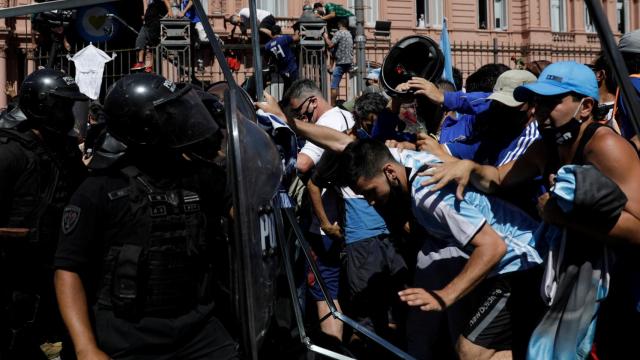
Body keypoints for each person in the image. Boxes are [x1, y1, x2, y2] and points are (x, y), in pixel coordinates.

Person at [257, 93, 546, 359]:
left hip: (522, 260)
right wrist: (288, 121)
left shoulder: (429, 192)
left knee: (471, 350)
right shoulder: (394, 160)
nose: (371, 202)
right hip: (484, 256)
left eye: (372, 192)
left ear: (390, 174)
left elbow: (494, 246)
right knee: (448, 338)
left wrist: (443, 297)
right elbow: (341, 143)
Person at [423, 61, 640, 358]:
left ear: (586, 106)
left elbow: (638, 230)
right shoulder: (545, 145)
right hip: (547, 264)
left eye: (551, 102)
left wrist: (562, 217)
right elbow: (499, 178)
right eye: (537, 102)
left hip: (603, 280)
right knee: (472, 350)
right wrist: (468, 168)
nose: (539, 111)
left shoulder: (605, 147)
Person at [53, 73, 237, 360]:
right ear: (146, 127)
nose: (182, 119)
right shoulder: (99, 190)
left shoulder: (201, 177)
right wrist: (86, 347)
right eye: (170, 115)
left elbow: (243, 213)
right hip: (128, 335)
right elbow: (68, 270)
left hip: (197, 329)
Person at [0, 68, 89, 359]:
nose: (67, 114)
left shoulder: (65, 151)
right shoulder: (9, 152)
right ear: (41, 106)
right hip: (13, 273)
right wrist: (21, 234)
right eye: (61, 106)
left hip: (54, 269)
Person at [132, 0, 172, 72]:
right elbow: (145, 6)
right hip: (147, 21)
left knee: (152, 42)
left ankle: (150, 65)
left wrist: (170, 10)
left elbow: (166, 1)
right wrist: (145, 17)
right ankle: (140, 62)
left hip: (156, 19)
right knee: (140, 40)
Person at [323, 18, 353, 106]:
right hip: (349, 62)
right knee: (333, 50)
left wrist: (325, 37)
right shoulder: (349, 34)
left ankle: (332, 105)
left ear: (340, 24)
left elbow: (330, 44)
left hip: (341, 63)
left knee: (334, 85)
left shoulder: (339, 33)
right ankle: (331, 66)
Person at [265, 25, 300, 94]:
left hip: (282, 70)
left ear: (272, 34)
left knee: (287, 87)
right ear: (280, 32)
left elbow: (267, 59)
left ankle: (284, 103)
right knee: (295, 87)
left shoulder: (267, 46)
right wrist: (297, 30)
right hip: (291, 67)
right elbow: (296, 38)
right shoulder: (284, 38)